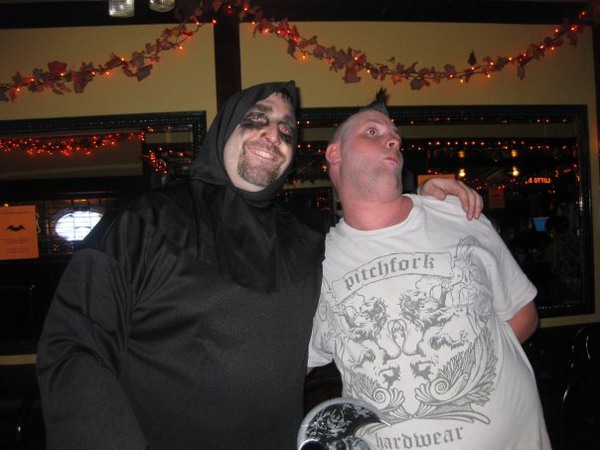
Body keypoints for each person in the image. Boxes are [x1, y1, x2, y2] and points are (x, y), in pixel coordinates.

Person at [36, 81, 482, 450]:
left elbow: (374, 240)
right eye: (257, 119)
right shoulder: (145, 222)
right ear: (224, 130)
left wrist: (421, 204)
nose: (275, 135)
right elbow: (74, 348)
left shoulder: (308, 237)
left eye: (287, 130)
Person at [307, 95, 551, 449]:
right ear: (335, 153)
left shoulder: (457, 213)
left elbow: (524, 315)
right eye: (373, 132)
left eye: (395, 137)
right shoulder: (317, 263)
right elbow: (292, 365)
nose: (393, 140)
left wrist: (466, 369)